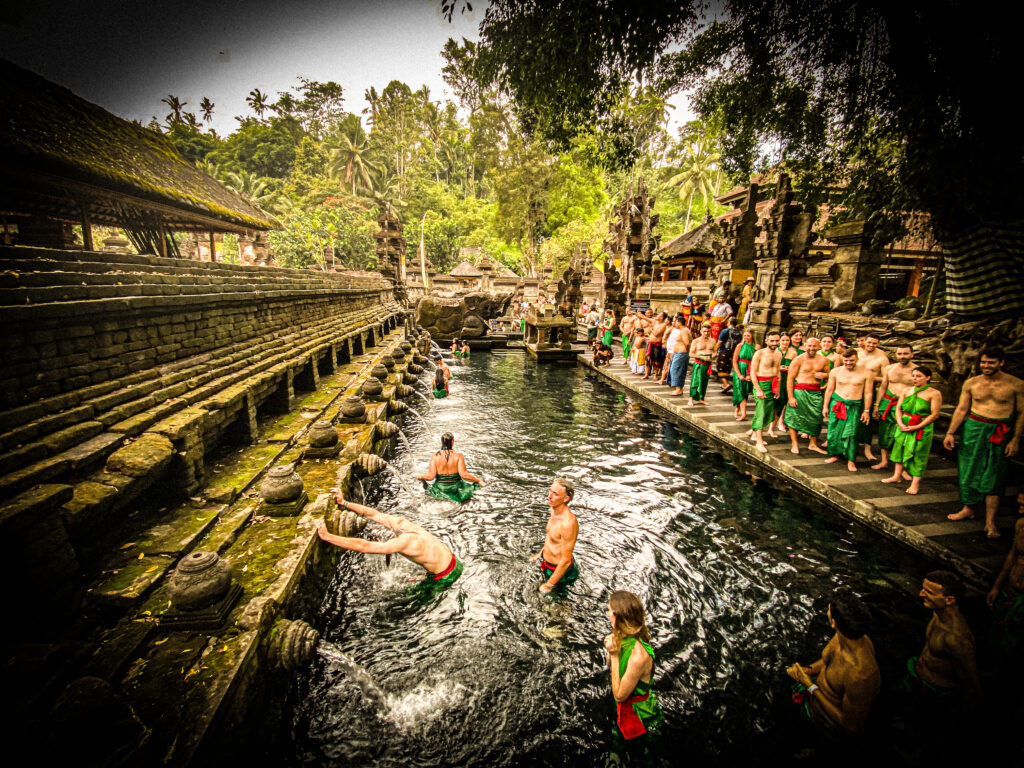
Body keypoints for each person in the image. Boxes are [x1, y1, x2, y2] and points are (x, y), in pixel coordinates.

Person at [944, 347, 1024, 537]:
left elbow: (1021, 413)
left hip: (999, 429)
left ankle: (990, 521)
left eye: (991, 363)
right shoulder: (972, 383)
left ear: (1001, 363)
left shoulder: (1016, 385)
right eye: (983, 362)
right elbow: (962, 409)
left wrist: (1015, 439)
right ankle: (968, 508)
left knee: (994, 473)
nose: (986, 366)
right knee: (968, 468)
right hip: (974, 428)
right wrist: (950, 432)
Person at [317, 495, 463, 594]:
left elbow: (365, 546)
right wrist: (344, 503)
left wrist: (328, 536)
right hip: (454, 561)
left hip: (446, 575)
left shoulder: (402, 543)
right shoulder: (402, 523)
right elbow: (372, 514)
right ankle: (428, 575)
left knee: (412, 596)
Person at [786, 589, 881, 735]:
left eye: (828, 609)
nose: (827, 610)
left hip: (826, 723)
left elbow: (851, 727)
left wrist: (810, 686)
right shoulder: (845, 636)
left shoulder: (860, 676)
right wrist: (807, 670)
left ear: (834, 622)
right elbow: (827, 661)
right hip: (814, 690)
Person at [902, 571, 982, 713]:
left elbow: (973, 688)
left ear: (949, 600)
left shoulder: (955, 639)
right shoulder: (937, 614)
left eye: (929, 592)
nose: (921, 594)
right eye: (923, 589)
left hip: (936, 693)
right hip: (918, 675)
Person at [604, 590, 662, 741]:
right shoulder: (620, 636)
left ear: (617, 618)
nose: (607, 614)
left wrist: (614, 656)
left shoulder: (638, 657)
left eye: (610, 611)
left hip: (640, 715)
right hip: (625, 707)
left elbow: (619, 696)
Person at [882, 366, 943, 494]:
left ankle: (915, 483)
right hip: (904, 423)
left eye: (919, 376)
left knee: (919, 453)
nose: (915, 379)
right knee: (899, 449)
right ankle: (896, 476)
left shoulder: (934, 393)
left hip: (921, 426)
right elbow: (898, 408)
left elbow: (934, 414)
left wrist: (917, 427)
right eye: (913, 376)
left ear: (928, 378)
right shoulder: (906, 390)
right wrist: (899, 422)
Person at [822, 348, 873, 471]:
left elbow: (868, 393)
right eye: (846, 361)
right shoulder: (835, 371)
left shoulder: (866, 373)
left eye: (851, 360)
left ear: (857, 359)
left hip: (854, 405)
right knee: (834, 431)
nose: (848, 363)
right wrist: (825, 406)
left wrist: (866, 411)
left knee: (852, 433)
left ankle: (851, 460)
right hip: (837, 403)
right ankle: (835, 454)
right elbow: (829, 389)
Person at [530, 477, 579, 592]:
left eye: (555, 494)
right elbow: (551, 538)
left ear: (566, 498)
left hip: (561, 574)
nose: (549, 496)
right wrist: (539, 554)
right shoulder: (553, 510)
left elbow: (566, 560)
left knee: (557, 605)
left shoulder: (568, 523)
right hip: (547, 565)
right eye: (550, 491)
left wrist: (549, 584)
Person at [871, 344, 916, 470]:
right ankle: (884, 460)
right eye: (900, 353)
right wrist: (876, 404)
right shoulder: (890, 368)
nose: (902, 356)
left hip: (906, 404)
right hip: (888, 402)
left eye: (905, 353)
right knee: (884, 432)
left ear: (912, 354)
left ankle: (903, 466)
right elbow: (883, 387)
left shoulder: (917, 371)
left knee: (903, 434)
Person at [987, 515, 1024, 659]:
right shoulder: (1021, 523)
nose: (1020, 509)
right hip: (1010, 590)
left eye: (1023, 505)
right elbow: (1012, 556)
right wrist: (997, 586)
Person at [785, 337, 830, 454]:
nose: (811, 348)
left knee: (816, 418)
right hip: (800, 391)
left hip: (815, 392)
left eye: (814, 346)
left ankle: (813, 444)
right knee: (794, 417)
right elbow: (790, 379)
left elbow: (830, 376)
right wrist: (791, 397)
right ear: (805, 346)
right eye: (809, 346)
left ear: (818, 347)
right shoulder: (798, 360)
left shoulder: (824, 360)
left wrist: (824, 377)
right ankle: (794, 443)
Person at [417, 432, 483, 503]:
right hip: (456, 487)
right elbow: (464, 475)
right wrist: (478, 480)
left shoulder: (435, 456)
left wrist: (420, 476)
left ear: (442, 442)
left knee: (425, 485)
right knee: (473, 487)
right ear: (452, 442)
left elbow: (431, 477)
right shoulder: (459, 456)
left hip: (440, 488)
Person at [856, 335, 890, 462]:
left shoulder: (882, 358)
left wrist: (869, 377)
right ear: (864, 341)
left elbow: (885, 380)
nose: (871, 345)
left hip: (870, 389)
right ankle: (849, 445)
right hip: (854, 388)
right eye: (869, 342)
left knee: (867, 420)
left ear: (878, 343)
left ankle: (867, 448)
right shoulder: (857, 353)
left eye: (874, 343)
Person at [747, 331, 781, 453]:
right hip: (761, 384)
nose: (774, 343)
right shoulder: (759, 353)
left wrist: (778, 388)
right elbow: (752, 372)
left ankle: (754, 433)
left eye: (777, 340)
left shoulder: (779, 353)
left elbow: (778, 372)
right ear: (766, 341)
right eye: (772, 340)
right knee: (761, 411)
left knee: (768, 411)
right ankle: (759, 441)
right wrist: (758, 389)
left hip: (773, 384)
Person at [773, 333, 797, 437]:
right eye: (783, 340)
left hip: (786, 378)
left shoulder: (793, 352)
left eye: (787, 340)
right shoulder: (774, 350)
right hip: (775, 377)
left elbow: (794, 367)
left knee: (783, 401)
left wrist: (788, 369)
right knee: (772, 402)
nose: (785, 342)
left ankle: (779, 422)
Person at [731, 328, 757, 420]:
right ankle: (743, 413)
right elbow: (734, 361)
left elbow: (757, 361)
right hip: (739, 369)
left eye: (748, 336)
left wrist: (751, 374)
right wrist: (738, 374)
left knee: (744, 392)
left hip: (750, 370)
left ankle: (737, 410)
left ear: (752, 336)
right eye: (745, 335)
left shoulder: (756, 347)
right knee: (739, 390)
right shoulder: (740, 345)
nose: (746, 337)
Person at [687, 323, 715, 407]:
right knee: (695, 381)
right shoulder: (696, 341)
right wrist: (702, 357)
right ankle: (691, 398)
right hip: (699, 363)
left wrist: (713, 356)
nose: (706, 333)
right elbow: (691, 354)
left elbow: (715, 351)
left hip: (708, 364)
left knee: (704, 382)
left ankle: (701, 398)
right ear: (701, 331)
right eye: (704, 331)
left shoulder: (713, 341)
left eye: (708, 331)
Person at [665, 314, 692, 396]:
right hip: (680, 353)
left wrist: (686, 350)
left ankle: (678, 389)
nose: (674, 324)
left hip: (681, 353)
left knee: (676, 370)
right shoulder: (685, 330)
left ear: (679, 323)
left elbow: (687, 343)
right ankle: (678, 389)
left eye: (676, 322)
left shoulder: (684, 331)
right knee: (676, 370)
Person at [715, 316, 742, 391]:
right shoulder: (738, 332)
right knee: (727, 368)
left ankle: (726, 384)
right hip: (733, 352)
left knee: (720, 368)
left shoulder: (725, 331)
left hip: (724, 351)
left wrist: (715, 351)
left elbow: (719, 342)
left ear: (729, 322)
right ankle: (724, 384)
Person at [644, 311, 669, 380]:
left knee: (656, 361)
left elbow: (656, 334)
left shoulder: (663, 325)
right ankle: (646, 374)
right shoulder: (654, 321)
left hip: (657, 344)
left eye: (659, 315)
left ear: (662, 318)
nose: (657, 316)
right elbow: (644, 317)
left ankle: (655, 375)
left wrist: (652, 328)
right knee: (647, 359)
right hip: (650, 343)